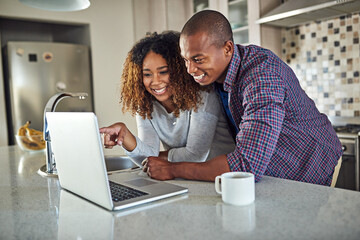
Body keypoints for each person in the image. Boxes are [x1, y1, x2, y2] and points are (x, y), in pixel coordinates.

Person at [143, 10, 343, 186]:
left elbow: (246, 164)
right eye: (186, 60)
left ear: (228, 49)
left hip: (312, 161)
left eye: (198, 59)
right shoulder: (212, 76)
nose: (190, 69)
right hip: (273, 170)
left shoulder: (262, 77)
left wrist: (172, 169)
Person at [100, 31, 235, 167]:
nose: (156, 81)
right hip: (184, 176)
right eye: (147, 74)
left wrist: (154, 158)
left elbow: (195, 156)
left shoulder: (203, 95)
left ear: (180, 70)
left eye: (163, 72)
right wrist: (125, 136)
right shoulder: (146, 105)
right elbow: (148, 158)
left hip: (224, 176)